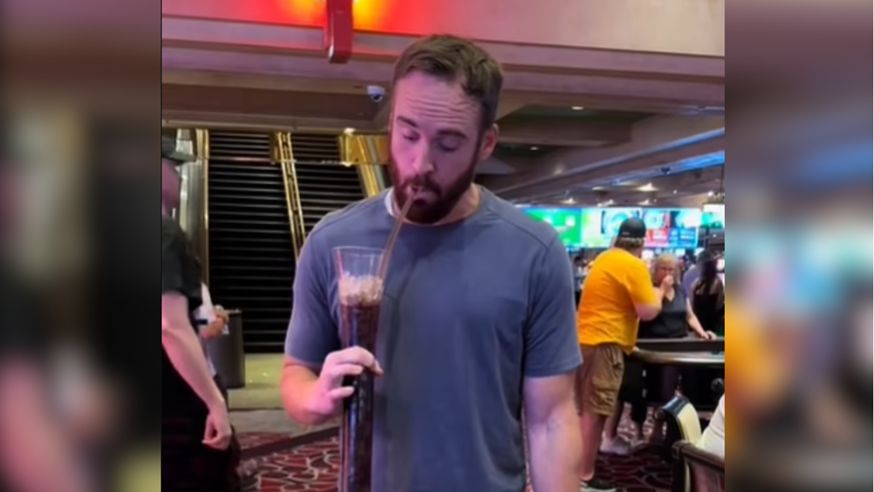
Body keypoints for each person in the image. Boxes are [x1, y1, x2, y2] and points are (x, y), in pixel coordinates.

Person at [281, 35, 582, 492]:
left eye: (447, 144)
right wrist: (316, 397)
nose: (420, 163)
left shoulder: (535, 251)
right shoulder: (332, 241)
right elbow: (296, 375)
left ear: (486, 143)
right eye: (408, 134)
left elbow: (552, 419)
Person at [161, 135, 238, 491]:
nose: (178, 177)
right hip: (175, 401)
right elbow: (169, 325)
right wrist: (214, 400)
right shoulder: (163, 233)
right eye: (173, 167)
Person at [575, 218, 667, 491]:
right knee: (595, 412)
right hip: (605, 345)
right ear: (642, 243)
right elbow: (648, 311)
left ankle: (576, 469)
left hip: (584, 342)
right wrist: (661, 291)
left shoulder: (605, 258)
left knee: (584, 410)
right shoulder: (633, 264)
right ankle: (584, 475)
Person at [627, 254, 716, 443]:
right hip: (654, 346)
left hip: (678, 343)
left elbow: (689, 316)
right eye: (664, 269)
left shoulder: (680, 289)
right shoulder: (649, 290)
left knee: (691, 379)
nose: (668, 273)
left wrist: (702, 332)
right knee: (662, 386)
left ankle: (676, 427)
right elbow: (648, 314)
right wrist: (662, 290)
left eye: (671, 269)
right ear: (655, 270)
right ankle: (650, 427)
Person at [691, 251, 725, 336]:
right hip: (711, 323)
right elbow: (719, 305)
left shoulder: (697, 282)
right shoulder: (717, 282)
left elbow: (692, 303)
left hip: (697, 323)